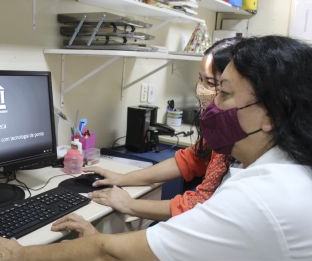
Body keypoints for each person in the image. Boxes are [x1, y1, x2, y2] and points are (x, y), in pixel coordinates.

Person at [0, 36, 312, 261]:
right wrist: (107, 239)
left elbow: (113, 256)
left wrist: (18, 256)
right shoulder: (280, 169)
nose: (213, 105)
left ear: (270, 112)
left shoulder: (261, 198)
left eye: (224, 93)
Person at [80, 38, 239, 221]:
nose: (201, 89)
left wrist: (130, 205)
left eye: (210, 83)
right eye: (200, 79)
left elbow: (200, 204)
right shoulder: (219, 126)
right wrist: (122, 178)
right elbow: (193, 158)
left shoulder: (234, 139)